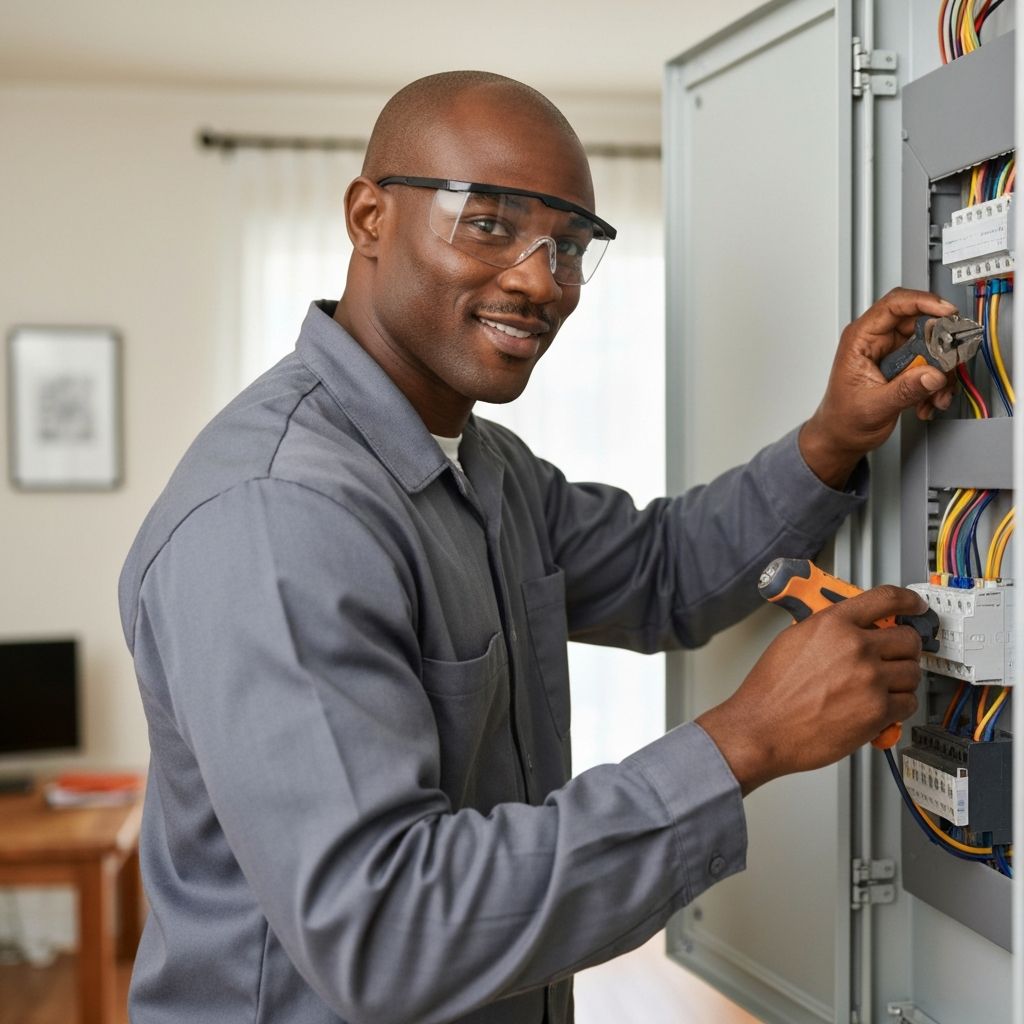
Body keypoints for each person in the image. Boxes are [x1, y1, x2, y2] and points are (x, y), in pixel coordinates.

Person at [119, 70, 959, 1024]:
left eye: (568, 246)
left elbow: (661, 571)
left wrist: (834, 437)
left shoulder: (487, 467)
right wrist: (747, 740)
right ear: (368, 218)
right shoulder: (277, 518)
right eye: (487, 223)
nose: (538, 280)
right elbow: (386, 931)